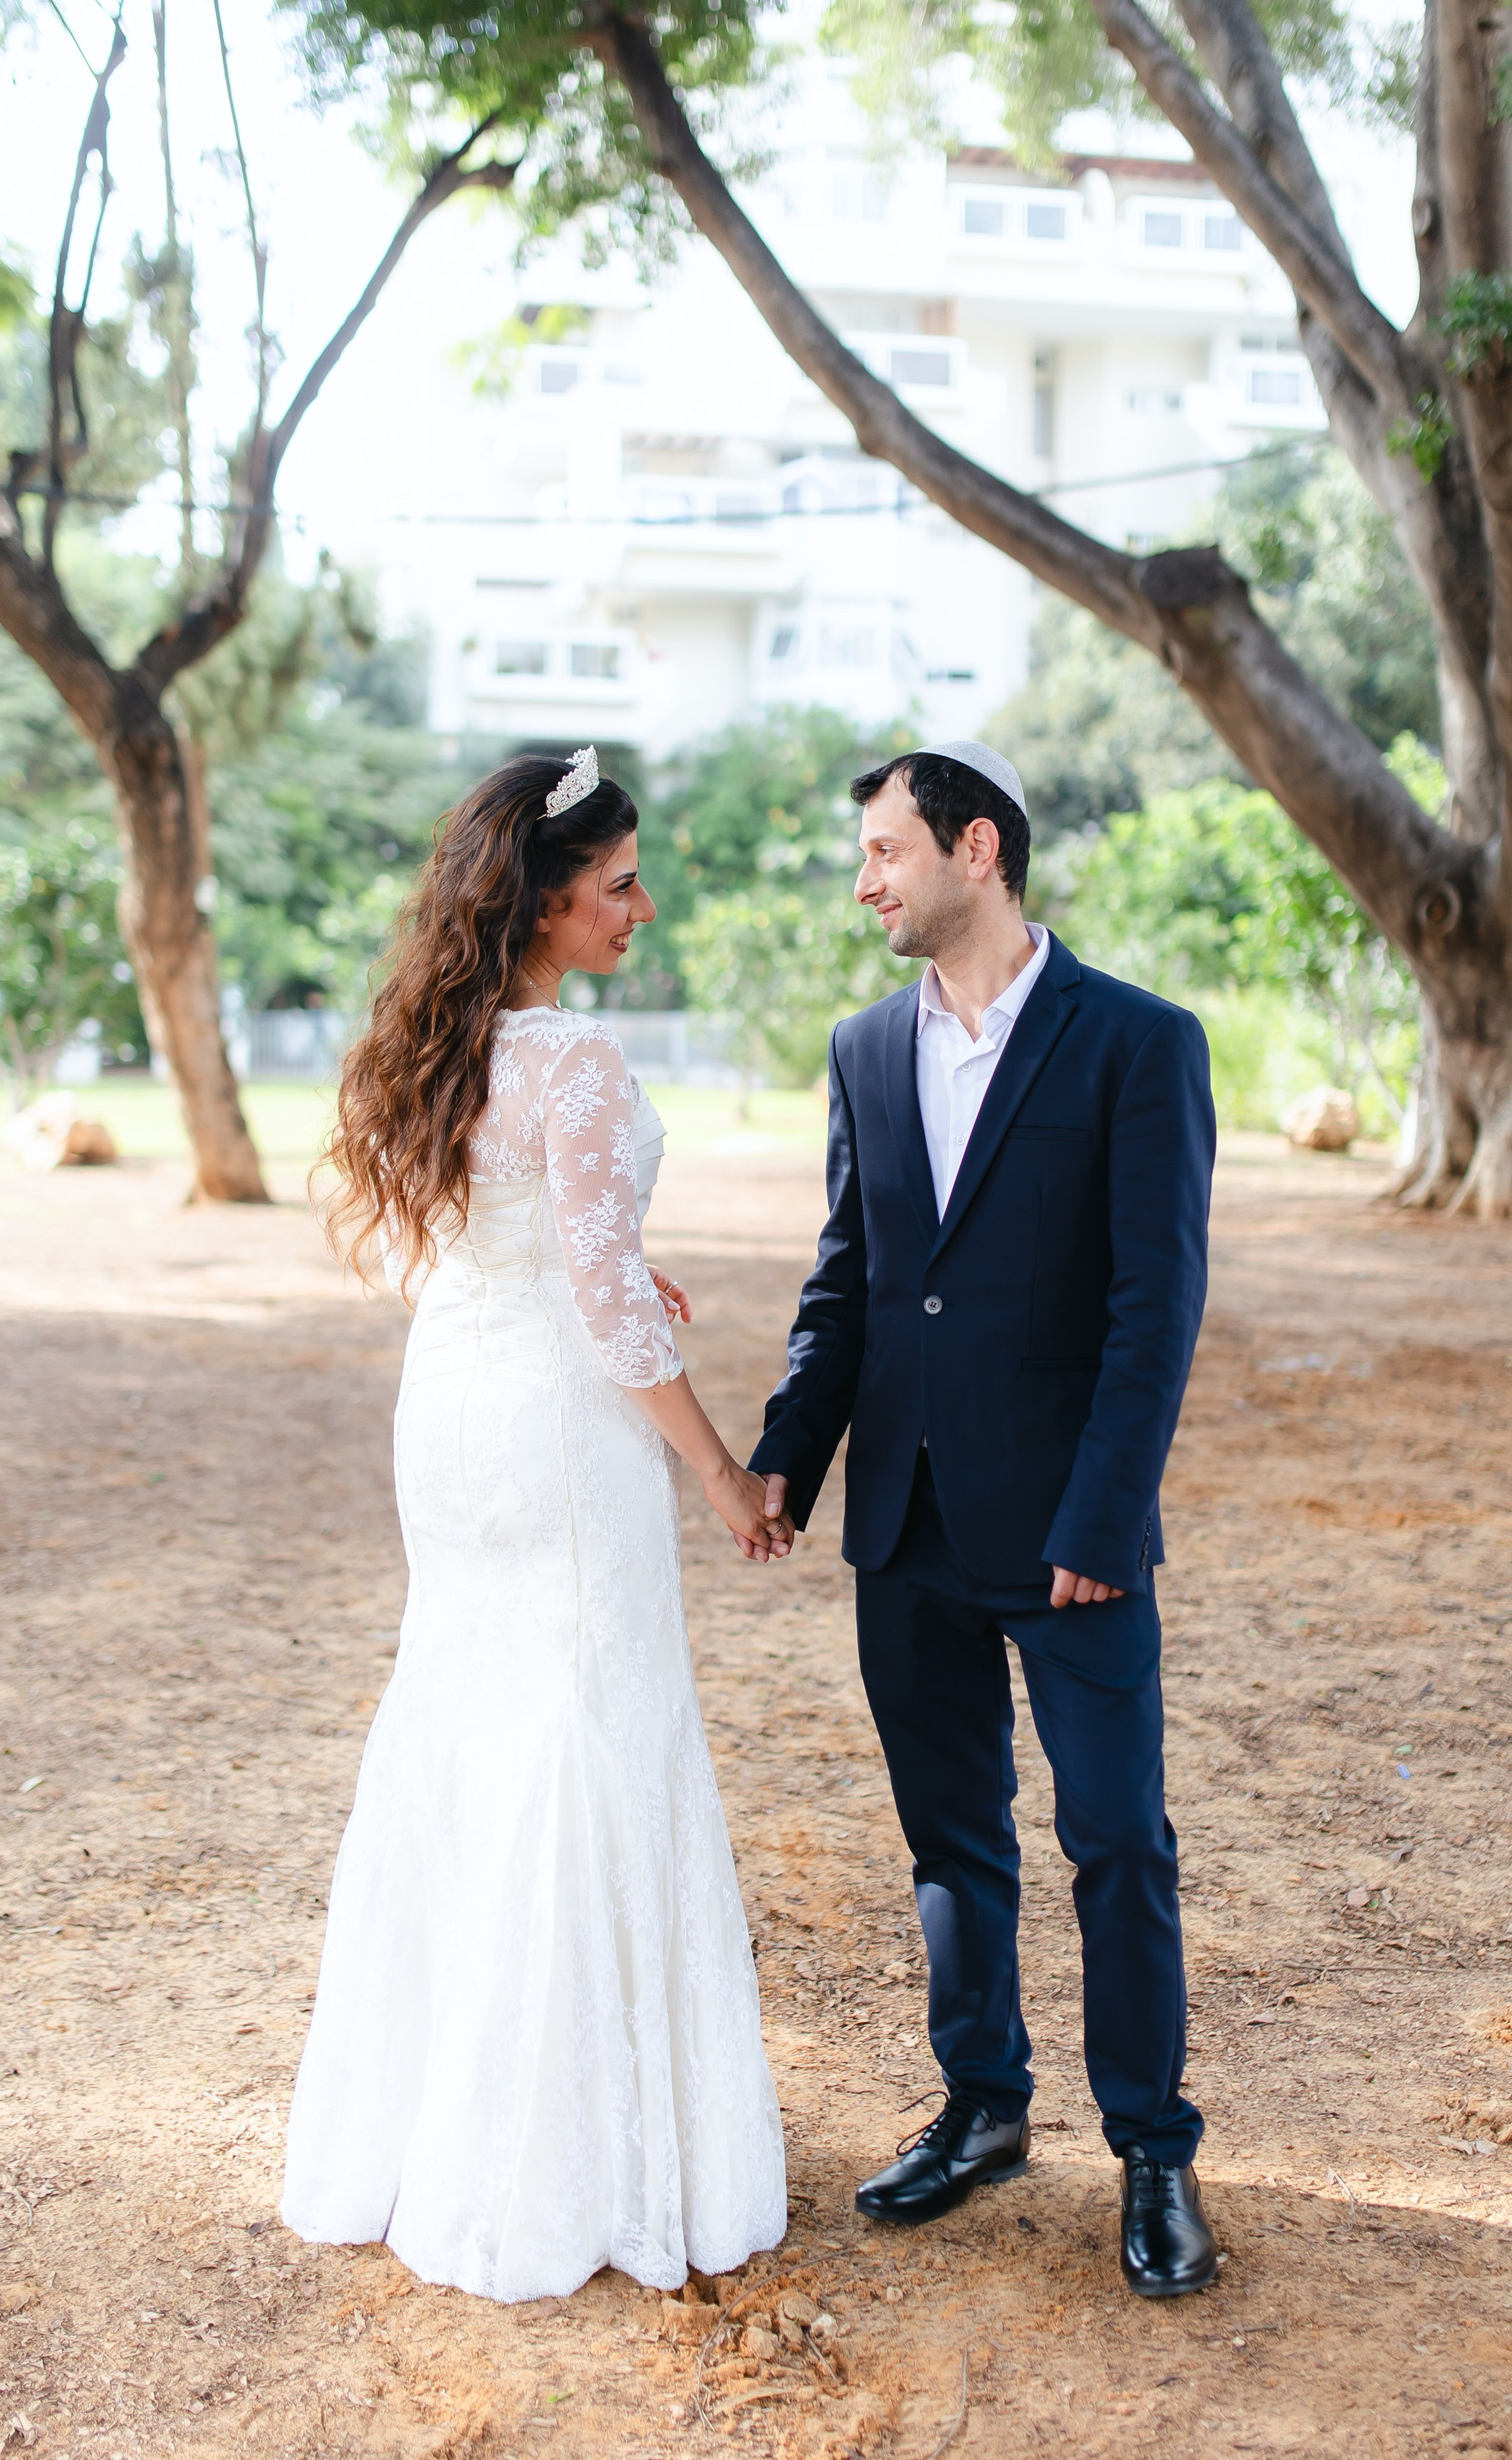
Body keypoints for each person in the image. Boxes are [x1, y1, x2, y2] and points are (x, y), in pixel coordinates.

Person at [281, 747, 788, 2303]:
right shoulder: (572, 1066)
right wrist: (719, 1472)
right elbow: (601, 1303)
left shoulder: (437, 1048)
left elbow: (527, 1252)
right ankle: (572, 2145)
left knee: (471, 1713)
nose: (643, 906)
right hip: (560, 1444)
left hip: (452, 1418)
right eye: (619, 882)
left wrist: (626, 1268)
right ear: (545, 899)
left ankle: (424, 2118)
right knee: (586, 1721)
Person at [747, 742, 1219, 2299]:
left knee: (1114, 1845)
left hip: (1067, 1532)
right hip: (906, 1518)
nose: (865, 881)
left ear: (976, 849)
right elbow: (852, 1284)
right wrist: (785, 1467)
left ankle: (1153, 2152)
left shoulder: (1136, 1044)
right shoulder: (864, 1049)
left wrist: (1104, 1508)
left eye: (883, 851)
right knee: (951, 1845)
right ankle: (982, 2107)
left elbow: (1154, 1307)